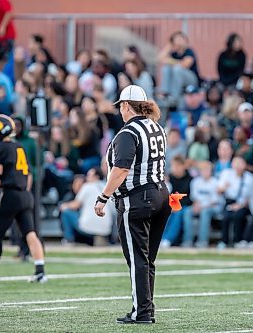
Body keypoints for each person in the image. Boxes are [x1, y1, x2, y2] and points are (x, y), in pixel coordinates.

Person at [93, 85, 171, 324]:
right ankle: (146, 308)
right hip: (161, 195)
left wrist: (103, 197)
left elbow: (121, 169)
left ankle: (142, 312)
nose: (120, 111)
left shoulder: (129, 133)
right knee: (147, 259)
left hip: (137, 199)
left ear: (126, 105)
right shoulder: (156, 127)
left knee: (138, 259)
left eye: (121, 107)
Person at [0, 114, 46, 283]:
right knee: (30, 233)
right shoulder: (18, 146)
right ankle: (40, 271)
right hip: (25, 194)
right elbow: (27, 175)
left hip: (10, 194)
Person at [60, 167, 113, 245]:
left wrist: (63, 205)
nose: (86, 177)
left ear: (96, 177)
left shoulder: (87, 186)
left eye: (89, 175)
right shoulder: (106, 186)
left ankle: (69, 240)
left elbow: (76, 205)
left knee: (66, 212)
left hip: (88, 227)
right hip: (106, 229)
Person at [217, 156, 253, 249]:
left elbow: (251, 196)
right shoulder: (226, 174)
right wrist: (224, 187)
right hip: (229, 202)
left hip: (243, 204)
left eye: (240, 163)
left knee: (238, 216)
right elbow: (219, 189)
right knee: (226, 217)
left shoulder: (249, 178)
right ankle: (224, 241)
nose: (237, 166)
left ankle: (238, 240)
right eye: (235, 163)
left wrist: (240, 205)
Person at [158, 31, 200, 107]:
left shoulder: (189, 51)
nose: (178, 41)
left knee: (177, 68)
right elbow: (160, 58)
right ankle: (165, 93)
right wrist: (170, 45)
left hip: (191, 80)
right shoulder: (174, 53)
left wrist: (170, 61)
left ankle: (174, 97)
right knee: (166, 67)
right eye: (176, 39)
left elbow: (185, 64)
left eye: (180, 39)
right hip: (177, 80)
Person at [184, 161, 220, 248]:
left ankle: (202, 241)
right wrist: (197, 205)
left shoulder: (215, 182)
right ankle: (187, 241)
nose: (205, 172)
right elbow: (194, 197)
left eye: (207, 170)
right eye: (203, 170)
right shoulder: (195, 182)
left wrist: (202, 206)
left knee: (205, 212)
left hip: (213, 207)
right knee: (187, 212)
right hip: (198, 206)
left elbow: (215, 201)